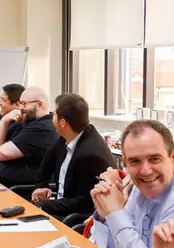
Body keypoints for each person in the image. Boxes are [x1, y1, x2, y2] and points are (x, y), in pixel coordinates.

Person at [89, 120, 174, 248]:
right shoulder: (139, 190)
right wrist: (106, 216)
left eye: (154, 159)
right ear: (125, 162)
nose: (145, 171)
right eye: (135, 161)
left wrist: (116, 213)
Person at [31, 93, 116, 221]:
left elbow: (83, 203)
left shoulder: (90, 155)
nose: (51, 117)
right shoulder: (65, 138)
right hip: (61, 207)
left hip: (73, 217)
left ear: (62, 123)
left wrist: (46, 205)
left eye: (54, 114)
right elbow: (45, 168)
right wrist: (41, 186)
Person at [0, 86, 57, 187]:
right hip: (6, 184)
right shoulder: (27, 121)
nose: (20, 108)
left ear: (40, 104)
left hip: (22, 189)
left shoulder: (42, 128)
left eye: (24, 104)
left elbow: (0, 154)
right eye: (20, 103)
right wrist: (4, 120)